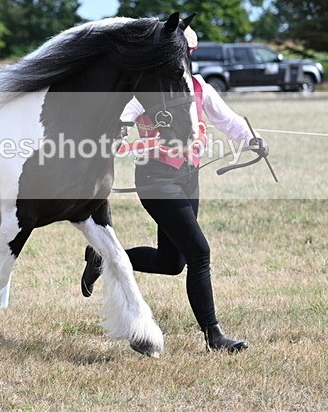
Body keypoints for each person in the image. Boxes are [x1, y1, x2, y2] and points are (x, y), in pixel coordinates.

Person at [80, 25, 269, 353]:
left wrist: (252, 139)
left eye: (187, 54)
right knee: (199, 253)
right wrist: (118, 133)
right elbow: (119, 118)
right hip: (157, 179)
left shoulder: (200, 87)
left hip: (189, 177)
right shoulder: (148, 90)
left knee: (172, 262)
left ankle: (101, 257)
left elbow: (228, 121)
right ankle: (214, 336)